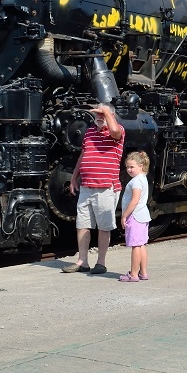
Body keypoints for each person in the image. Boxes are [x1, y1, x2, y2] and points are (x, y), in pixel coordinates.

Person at [63, 103, 125, 274]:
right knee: (82, 224)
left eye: (102, 114)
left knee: (104, 226)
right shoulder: (90, 132)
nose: (99, 117)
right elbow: (83, 155)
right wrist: (74, 178)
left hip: (106, 187)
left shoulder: (118, 130)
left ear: (111, 115)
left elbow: (115, 131)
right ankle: (82, 261)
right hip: (86, 186)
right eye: (97, 114)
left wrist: (105, 111)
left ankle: (101, 263)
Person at [117, 152, 151, 282]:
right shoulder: (143, 178)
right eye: (127, 167)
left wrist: (124, 215)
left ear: (141, 166)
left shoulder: (136, 181)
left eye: (132, 167)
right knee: (141, 245)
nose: (129, 170)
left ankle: (134, 274)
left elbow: (134, 200)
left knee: (135, 245)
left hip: (134, 216)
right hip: (143, 215)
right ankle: (143, 272)